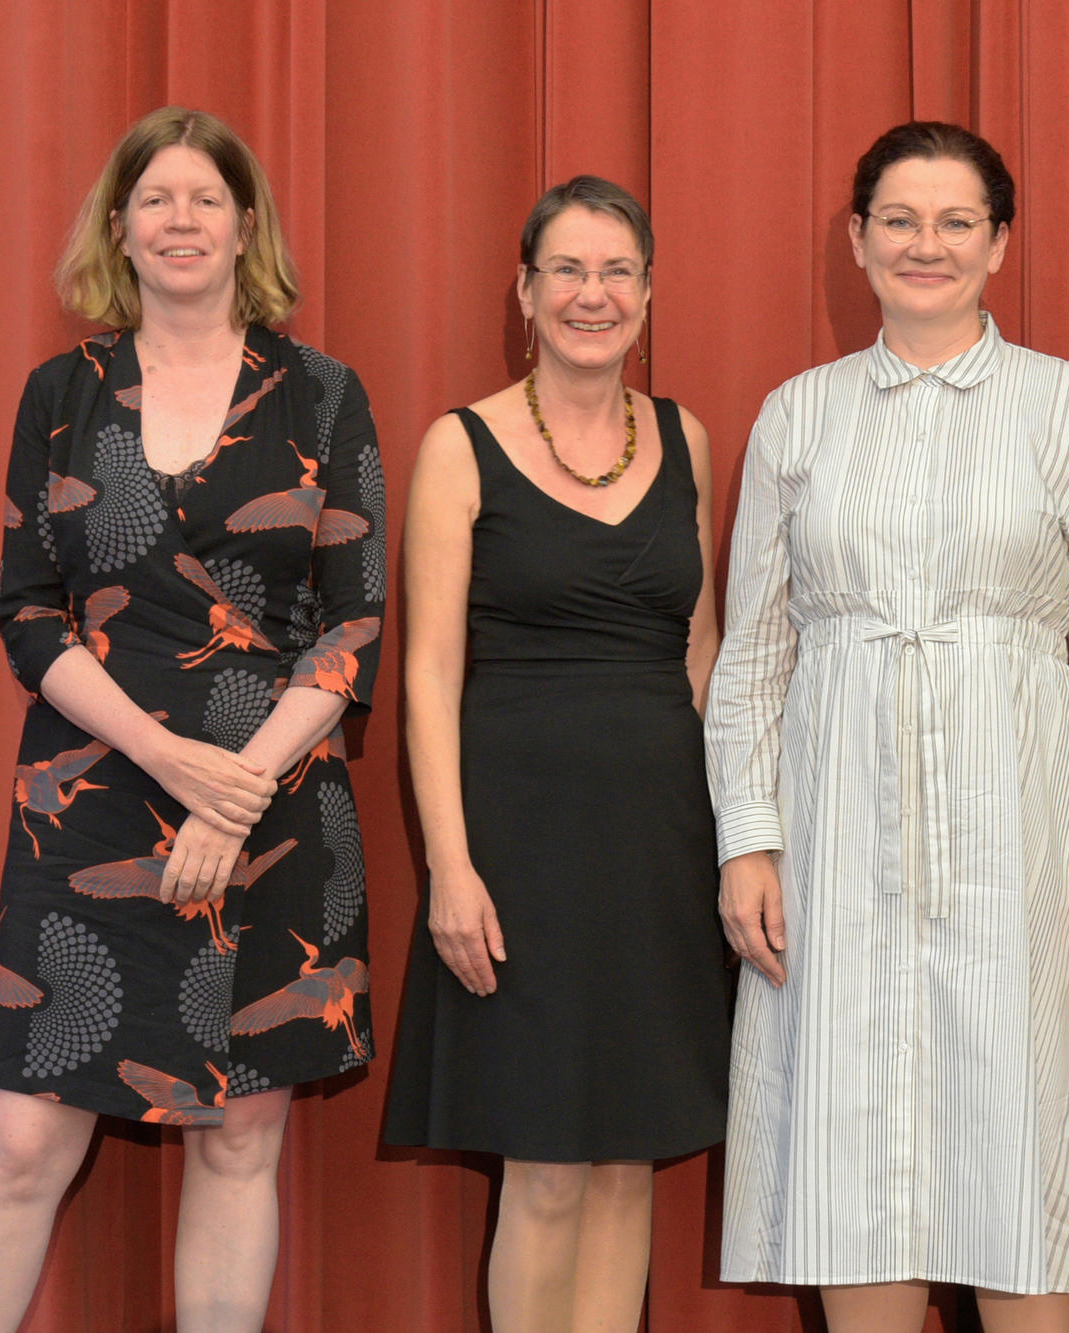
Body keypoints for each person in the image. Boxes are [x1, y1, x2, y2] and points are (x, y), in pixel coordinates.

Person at [0, 107, 386, 1332]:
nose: (180, 220)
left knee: (240, 1138)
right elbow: (28, 613)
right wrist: (168, 757)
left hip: (278, 804)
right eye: (156, 199)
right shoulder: (60, 394)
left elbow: (352, 626)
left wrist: (236, 787)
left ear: (246, 227)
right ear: (119, 229)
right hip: (94, 787)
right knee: (19, 1149)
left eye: (205, 198)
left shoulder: (327, 398)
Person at [707, 122, 1069, 1330]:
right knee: (856, 1146)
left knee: (1027, 1144)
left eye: (955, 221)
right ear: (856, 241)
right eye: (898, 220)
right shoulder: (796, 418)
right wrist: (746, 839)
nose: (926, 245)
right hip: (836, 844)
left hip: (1028, 844)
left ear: (999, 242)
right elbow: (753, 654)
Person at [384, 176, 730, 1331]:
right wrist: (451, 866)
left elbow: (702, 651)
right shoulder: (459, 445)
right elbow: (428, 675)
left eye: (616, 271)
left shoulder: (683, 436)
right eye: (568, 271)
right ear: (525, 292)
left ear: (648, 291)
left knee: (630, 1157)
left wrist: (742, 841)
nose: (594, 294)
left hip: (661, 846)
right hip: (519, 850)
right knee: (541, 1169)